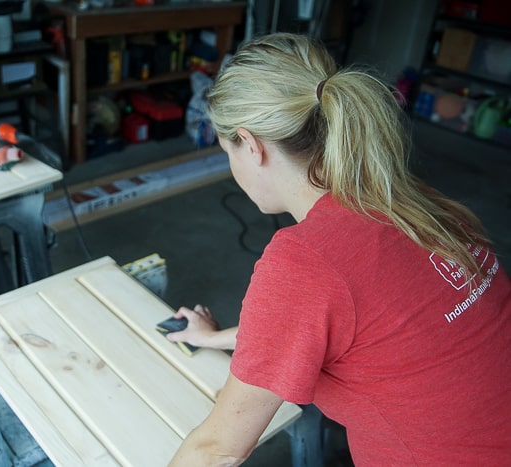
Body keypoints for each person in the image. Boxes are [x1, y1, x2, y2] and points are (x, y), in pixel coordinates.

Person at [166, 32, 511, 466]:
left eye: (228, 153)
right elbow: (359, 327)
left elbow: (217, 450)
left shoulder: (305, 262)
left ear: (250, 145)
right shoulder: (413, 204)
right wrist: (216, 338)